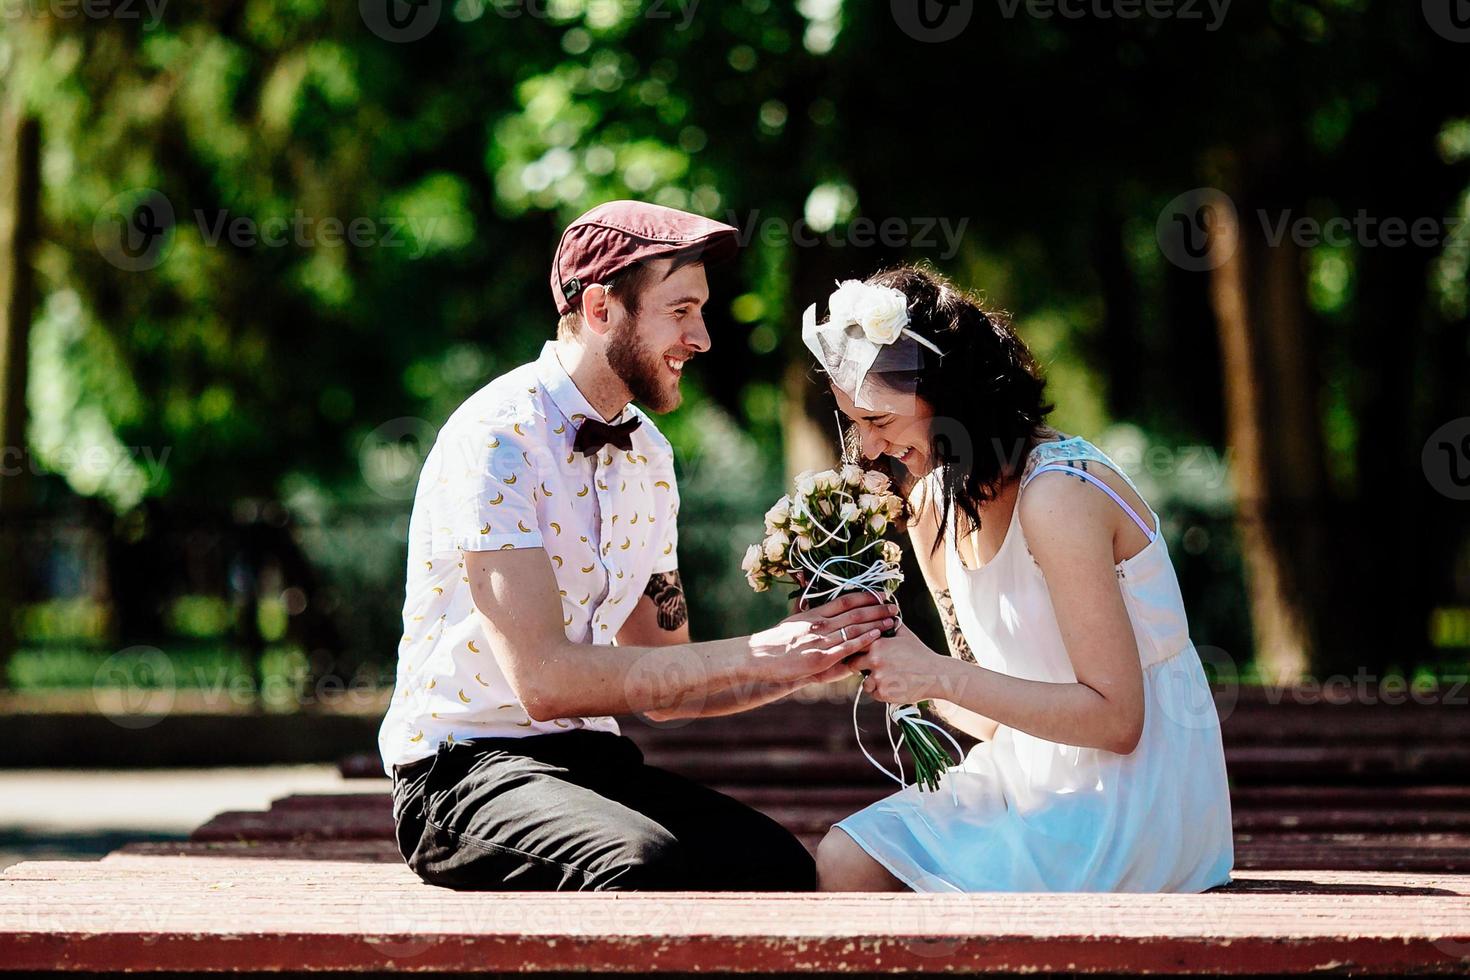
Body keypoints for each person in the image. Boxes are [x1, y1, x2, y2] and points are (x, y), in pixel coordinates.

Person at [379, 201, 896, 891]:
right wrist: (761, 650)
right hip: (460, 774)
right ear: (600, 310)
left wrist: (808, 657)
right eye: (680, 311)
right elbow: (546, 682)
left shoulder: (648, 454)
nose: (703, 338)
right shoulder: (496, 441)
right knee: (637, 866)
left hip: (589, 763)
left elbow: (666, 686)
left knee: (777, 870)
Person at [805, 264, 1234, 893]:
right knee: (845, 859)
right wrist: (884, 656)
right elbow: (991, 719)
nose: (866, 449)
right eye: (854, 423)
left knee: (933, 887)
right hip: (1028, 772)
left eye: (879, 422)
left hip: (1130, 795)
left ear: (949, 397)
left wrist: (939, 675)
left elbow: (1119, 722)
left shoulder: (1058, 493)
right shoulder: (933, 506)